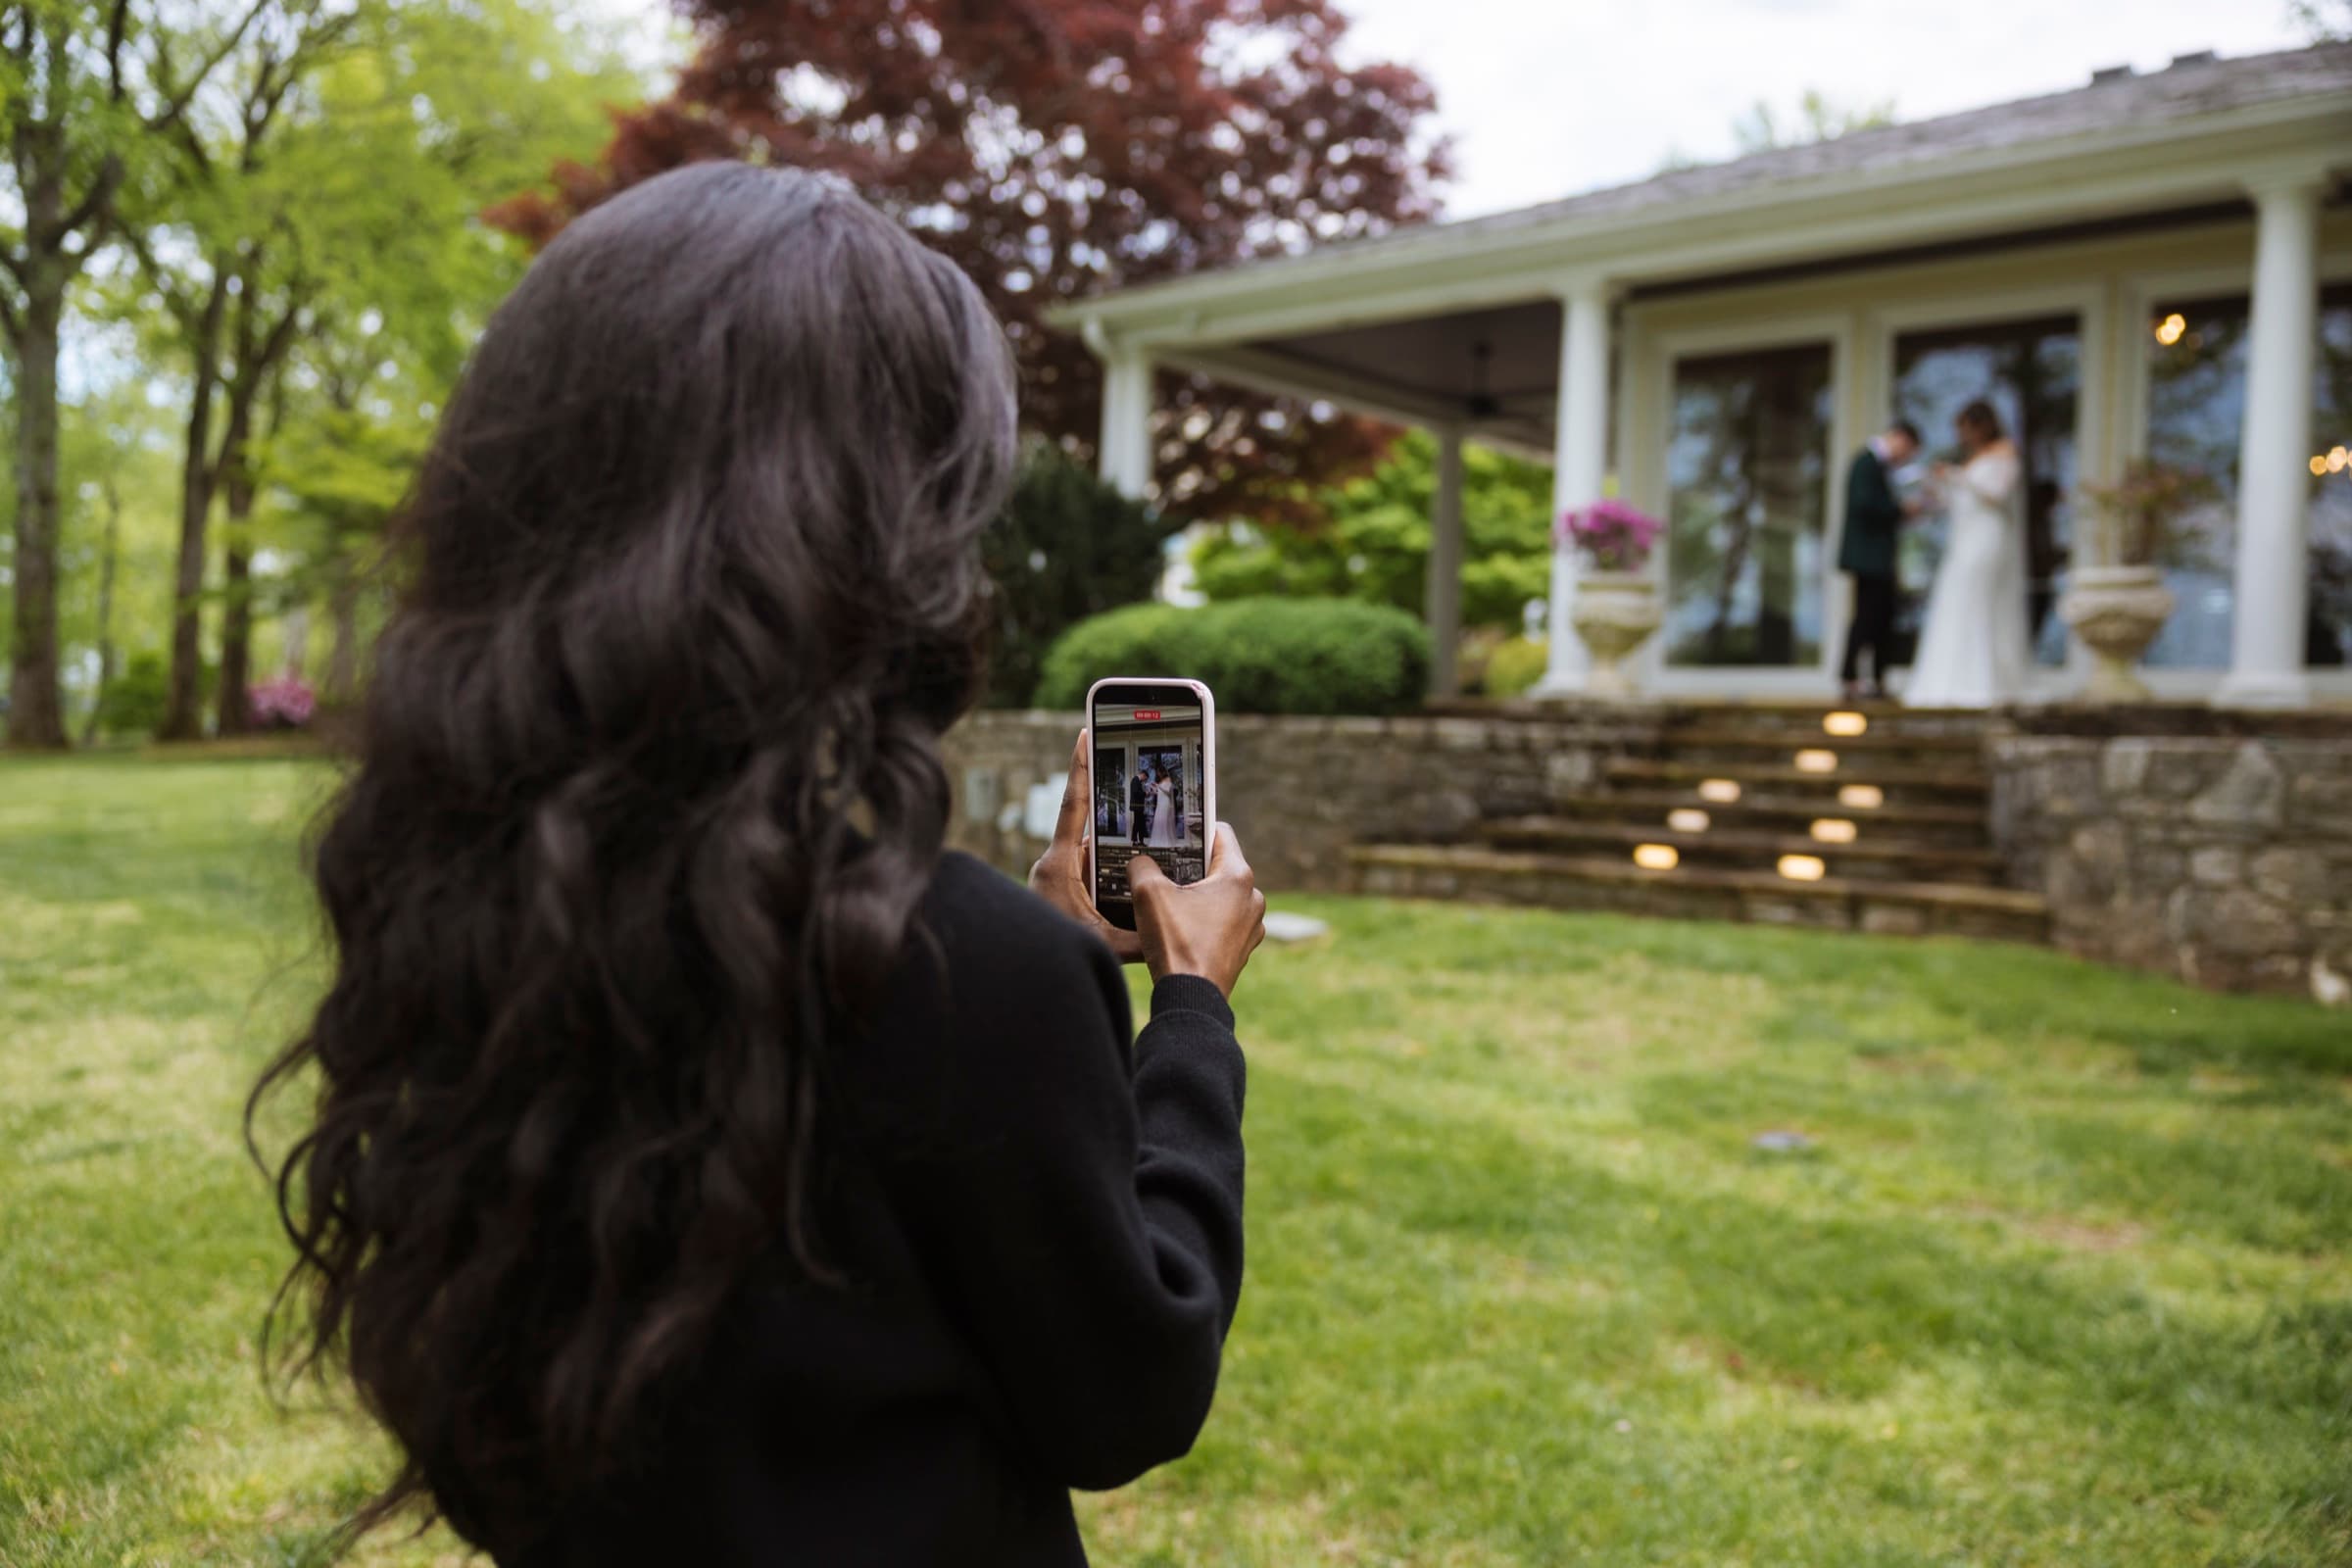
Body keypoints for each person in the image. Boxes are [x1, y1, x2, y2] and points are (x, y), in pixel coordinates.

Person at [250, 163, 1267, 1568]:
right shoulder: (965, 968)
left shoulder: (467, 891)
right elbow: (1127, 1392)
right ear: (888, 531)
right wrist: (1190, 1018)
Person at [1905, 399, 2032, 709]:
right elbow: (1956, 502)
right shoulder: (1971, 458)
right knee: (1957, 602)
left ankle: (1985, 681)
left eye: (1966, 428)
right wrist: (1937, 487)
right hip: (1963, 538)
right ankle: (1950, 679)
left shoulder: (2005, 450)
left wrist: (1958, 476)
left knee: (1981, 602)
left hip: (1987, 536)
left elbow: (1997, 494)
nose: (1962, 436)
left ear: (1982, 426)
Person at [1838, 418, 1921, 700]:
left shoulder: (1879, 467)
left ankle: (1876, 679)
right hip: (1868, 558)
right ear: (1900, 439)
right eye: (1909, 451)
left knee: (1882, 618)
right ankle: (1851, 678)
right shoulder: (1866, 463)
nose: (1906, 459)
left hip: (1879, 558)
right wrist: (1899, 510)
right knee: (1867, 618)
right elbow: (1864, 505)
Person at [1149, 770, 1179, 847]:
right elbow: (1160, 793)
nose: (1158, 774)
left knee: (1165, 821)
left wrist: (1158, 786)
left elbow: (1168, 791)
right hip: (1160, 803)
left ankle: (1166, 841)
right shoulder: (1161, 781)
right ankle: (1158, 840)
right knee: (1159, 821)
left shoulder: (1168, 779)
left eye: (1159, 773)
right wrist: (1154, 789)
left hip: (1165, 803)